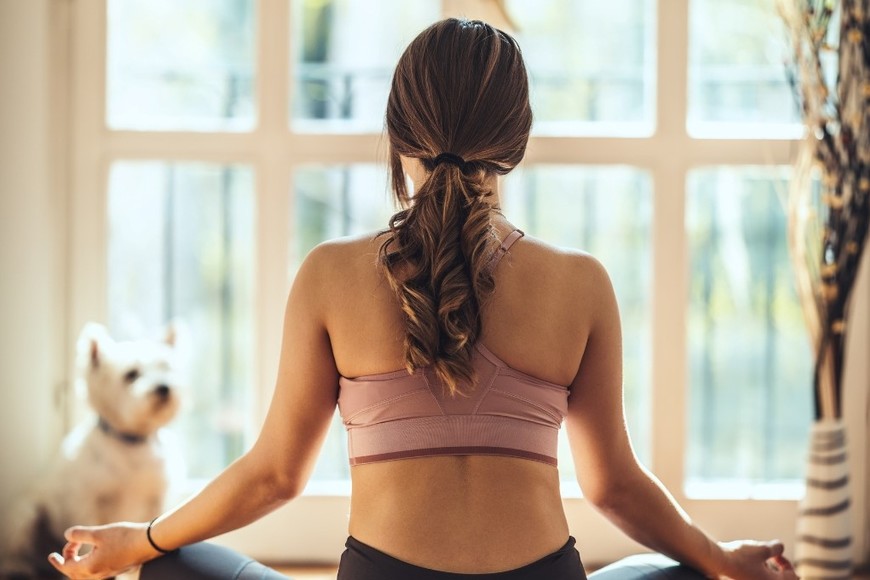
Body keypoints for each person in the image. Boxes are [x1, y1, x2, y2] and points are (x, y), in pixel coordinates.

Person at [49, 18, 798, 580]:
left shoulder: (328, 275)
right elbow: (614, 486)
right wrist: (719, 558)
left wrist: (140, 539)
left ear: (398, 130)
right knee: (670, 570)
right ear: (518, 138)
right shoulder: (582, 283)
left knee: (174, 561)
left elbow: (276, 475)